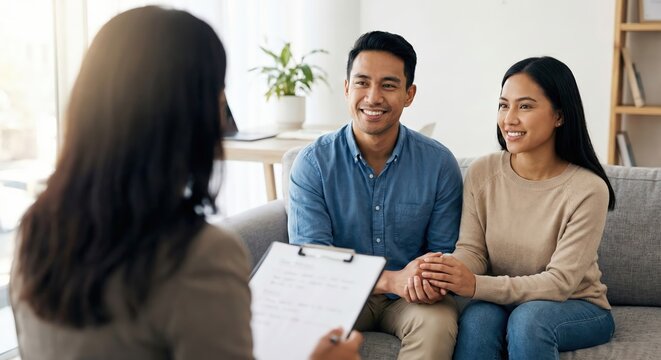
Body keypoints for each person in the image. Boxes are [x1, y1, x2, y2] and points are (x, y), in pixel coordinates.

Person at [10, 6, 361, 360]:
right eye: (217, 92)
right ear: (186, 115)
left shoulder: (34, 231)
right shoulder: (198, 256)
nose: (224, 112)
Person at [419, 56, 616, 359]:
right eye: (503, 105)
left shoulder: (588, 190)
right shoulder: (482, 171)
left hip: (577, 306)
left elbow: (560, 283)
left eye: (525, 106)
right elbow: (473, 251)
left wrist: (474, 285)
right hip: (503, 302)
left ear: (560, 116)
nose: (509, 118)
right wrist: (448, 272)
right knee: (478, 318)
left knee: (528, 320)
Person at [288, 31, 463, 360]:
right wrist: (391, 280)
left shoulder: (438, 164)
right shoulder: (313, 164)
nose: (373, 97)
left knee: (438, 321)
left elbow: (442, 253)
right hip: (337, 295)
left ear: (409, 94)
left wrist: (421, 281)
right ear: (346, 88)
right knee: (306, 321)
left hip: (411, 299)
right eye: (362, 83)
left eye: (388, 85)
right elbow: (313, 262)